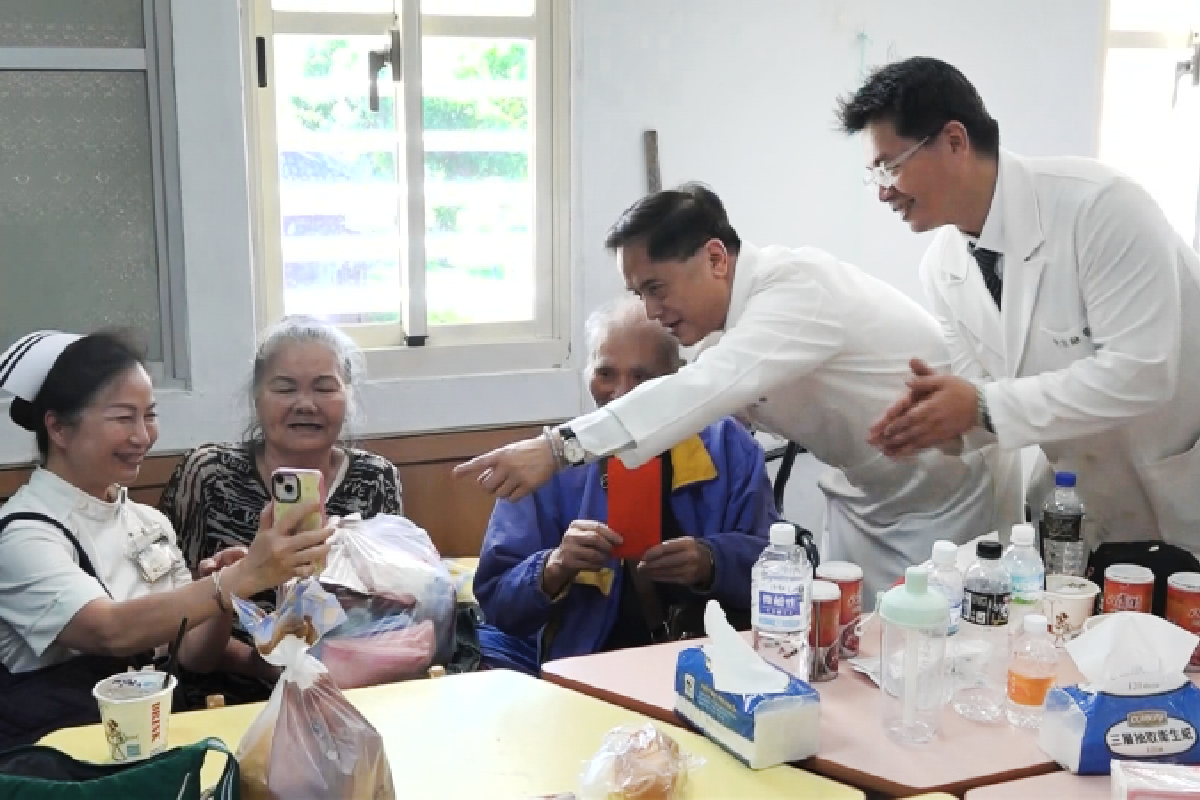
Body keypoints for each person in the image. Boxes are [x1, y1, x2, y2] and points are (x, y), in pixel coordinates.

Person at [458, 184, 1012, 598]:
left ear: (716, 259)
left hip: (945, 502)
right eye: (637, 293)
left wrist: (557, 448)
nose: (651, 312)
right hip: (861, 501)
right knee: (847, 660)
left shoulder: (795, 291)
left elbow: (700, 389)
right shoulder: (717, 338)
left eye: (656, 288)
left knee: (924, 666)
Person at [839, 56, 1200, 550]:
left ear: (954, 141)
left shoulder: (1100, 207)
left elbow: (1143, 372)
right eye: (873, 172)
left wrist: (981, 404)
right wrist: (941, 424)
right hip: (1084, 509)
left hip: (1179, 489)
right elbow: (989, 402)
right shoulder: (943, 268)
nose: (882, 192)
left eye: (891, 166)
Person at [0, 330, 332, 747]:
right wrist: (239, 578)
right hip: (60, 759)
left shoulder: (147, 521)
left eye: (149, 415)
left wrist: (224, 599)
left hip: (153, 744)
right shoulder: (22, 534)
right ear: (59, 428)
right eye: (123, 418)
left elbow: (193, 655)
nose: (143, 436)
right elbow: (109, 631)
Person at [473, 297, 776, 674]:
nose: (621, 394)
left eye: (643, 378)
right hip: (590, 672)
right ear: (586, 374)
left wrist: (711, 561)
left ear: (679, 377)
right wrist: (554, 567)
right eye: (605, 374)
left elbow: (776, 568)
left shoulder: (728, 448)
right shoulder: (550, 465)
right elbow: (498, 603)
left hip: (712, 667)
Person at [158, 316, 403, 701]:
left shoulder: (375, 479)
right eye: (285, 389)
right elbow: (174, 616)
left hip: (349, 690)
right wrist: (264, 664)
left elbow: (391, 608)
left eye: (325, 388)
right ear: (257, 398)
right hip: (223, 692)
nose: (305, 405)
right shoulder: (208, 473)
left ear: (348, 397)